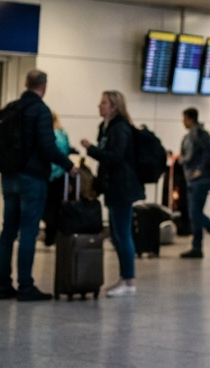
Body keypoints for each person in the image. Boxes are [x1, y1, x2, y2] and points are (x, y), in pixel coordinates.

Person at [0, 69, 74, 301]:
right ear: (44, 85)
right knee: (28, 231)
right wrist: (69, 165)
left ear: (26, 83)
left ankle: (3, 285)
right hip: (32, 178)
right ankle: (26, 286)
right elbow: (48, 147)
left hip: (9, 177)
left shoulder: (11, 108)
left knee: (8, 231)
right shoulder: (41, 110)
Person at [82, 91, 143, 297]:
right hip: (113, 186)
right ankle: (125, 277)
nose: (100, 106)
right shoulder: (106, 128)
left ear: (114, 107)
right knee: (116, 235)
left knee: (122, 234)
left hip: (122, 188)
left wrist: (91, 149)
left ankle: (129, 279)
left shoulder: (120, 129)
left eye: (104, 103)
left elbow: (114, 157)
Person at [179, 107, 210, 259]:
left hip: (201, 179)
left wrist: (199, 171)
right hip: (193, 178)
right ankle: (197, 246)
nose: (183, 122)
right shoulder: (193, 135)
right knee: (195, 213)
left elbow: (208, 155)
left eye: (184, 119)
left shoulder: (201, 135)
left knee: (195, 213)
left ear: (190, 118)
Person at [42, 111, 77, 247]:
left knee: (46, 207)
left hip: (47, 174)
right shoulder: (62, 133)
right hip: (61, 174)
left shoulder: (46, 134)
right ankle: (54, 234)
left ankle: (49, 234)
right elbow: (67, 150)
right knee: (56, 206)